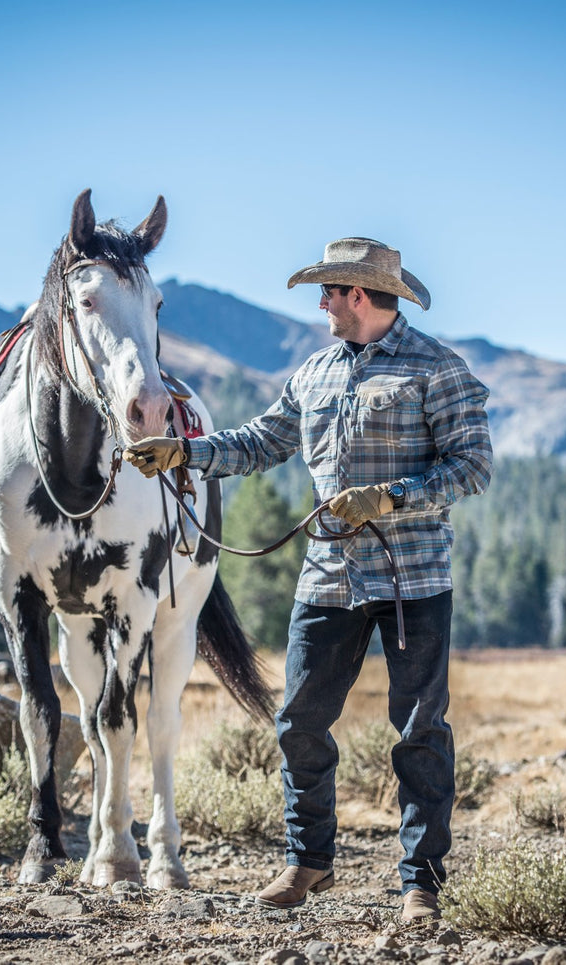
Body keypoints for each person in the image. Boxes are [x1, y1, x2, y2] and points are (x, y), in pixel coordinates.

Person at [126, 237, 492, 923]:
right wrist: (185, 452)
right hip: (326, 576)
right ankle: (308, 862)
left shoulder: (438, 369)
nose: (320, 304)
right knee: (297, 720)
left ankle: (422, 883)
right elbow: (260, 441)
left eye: (327, 292)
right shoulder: (316, 372)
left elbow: (471, 467)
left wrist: (391, 495)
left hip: (413, 578)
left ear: (357, 294)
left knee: (418, 729)